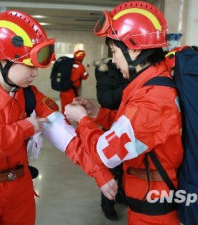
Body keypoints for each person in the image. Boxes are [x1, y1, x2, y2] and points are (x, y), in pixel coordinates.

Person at [0, 10, 116, 225]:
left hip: (20, 191)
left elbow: (68, 138)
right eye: (29, 65)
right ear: (3, 60)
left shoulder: (32, 97)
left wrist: (100, 174)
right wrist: (23, 128)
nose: (35, 74)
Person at [64, 1, 183, 224]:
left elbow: (106, 155)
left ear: (135, 49)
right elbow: (133, 128)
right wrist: (97, 113)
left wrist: (81, 120)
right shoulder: (152, 85)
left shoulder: (152, 99)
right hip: (148, 196)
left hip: (153, 208)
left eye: (115, 51)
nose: (114, 59)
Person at [95, 58, 128, 221]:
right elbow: (106, 99)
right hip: (112, 126)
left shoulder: (131, 72)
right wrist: (129, 88)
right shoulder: (105, 72)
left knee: (125, 165)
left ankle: (120, 194)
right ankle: (107, 204)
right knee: (112, 167)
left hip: (128, 125)